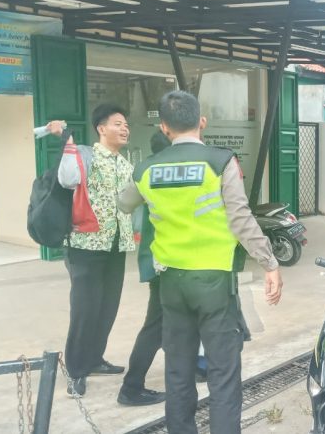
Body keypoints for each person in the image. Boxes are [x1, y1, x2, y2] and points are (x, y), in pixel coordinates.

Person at [118, 90, 283, 434]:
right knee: (223, 372)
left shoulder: (146, 169)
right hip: (214, 281)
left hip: (170, 283)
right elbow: (240, 219)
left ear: (164, 128)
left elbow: (124, 203)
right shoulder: (220, 162)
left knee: (178, 370)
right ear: (202, 122)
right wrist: (269, 263)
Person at [47, 104, 135, 397]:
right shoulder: (85, 155)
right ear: (101, 128)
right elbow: (67, 179)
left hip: (116, 245)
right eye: (118, 124)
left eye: (126, 125)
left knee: (107, 308)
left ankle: (95, 359)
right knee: (85, 310)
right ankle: (76, 370)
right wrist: (67, 140)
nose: (124, 129)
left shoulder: (125, 164)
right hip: (85, 245)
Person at [117, 130, 171, 406]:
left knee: (166, 323)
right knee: (156, 326)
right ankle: (131, 387)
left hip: (157, 259)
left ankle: (196, 367)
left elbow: (124, 204)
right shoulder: (179, 168)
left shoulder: (146, 171)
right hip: (171, 261)